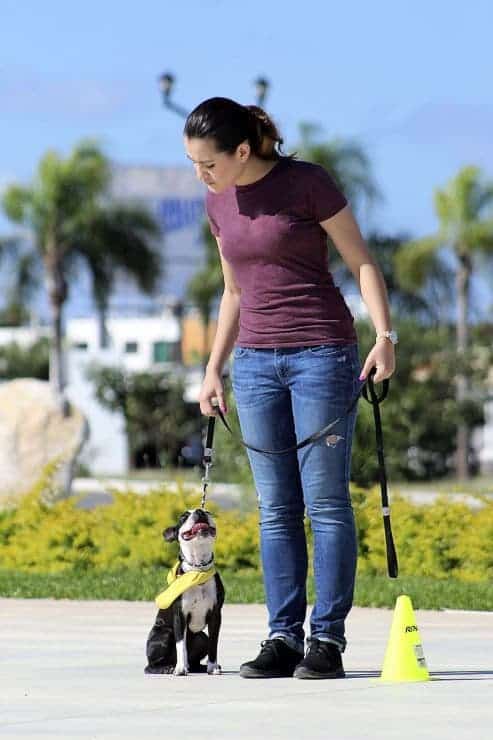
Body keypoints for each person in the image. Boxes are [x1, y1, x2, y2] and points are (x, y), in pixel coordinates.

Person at [183, 97, 396, 680]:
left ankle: (326, 641)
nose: (201, 175)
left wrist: (385, 336)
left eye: (208, 163)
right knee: (275, 509)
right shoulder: (217, 201)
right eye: (194, 164)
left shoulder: (307, 183)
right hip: (253, 364)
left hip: (322, 356)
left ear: (242, 151)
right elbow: (233, 292)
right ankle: (283, 637)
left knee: (325, 504)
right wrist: (213, 368)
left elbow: (361, 262)